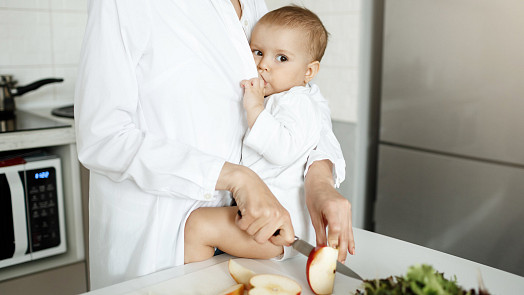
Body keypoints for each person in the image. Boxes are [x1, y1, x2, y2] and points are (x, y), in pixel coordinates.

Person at [74, 0, 355, 289]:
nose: (263, 63)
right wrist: (236, 177)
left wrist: (319, 179)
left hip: (244, 237)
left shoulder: (255, 6)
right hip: (161, 238)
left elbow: (302, 100)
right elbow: (103, 137)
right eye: (258, 53)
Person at [184, 5, 339, 263]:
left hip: (279, 226)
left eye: (281, 58)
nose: (264, 65)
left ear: (309, 72)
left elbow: (283, 149)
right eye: (258, 52)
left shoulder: (298, 102)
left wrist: (255, 108)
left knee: (198, 226)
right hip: (266, 218)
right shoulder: (280, 97)